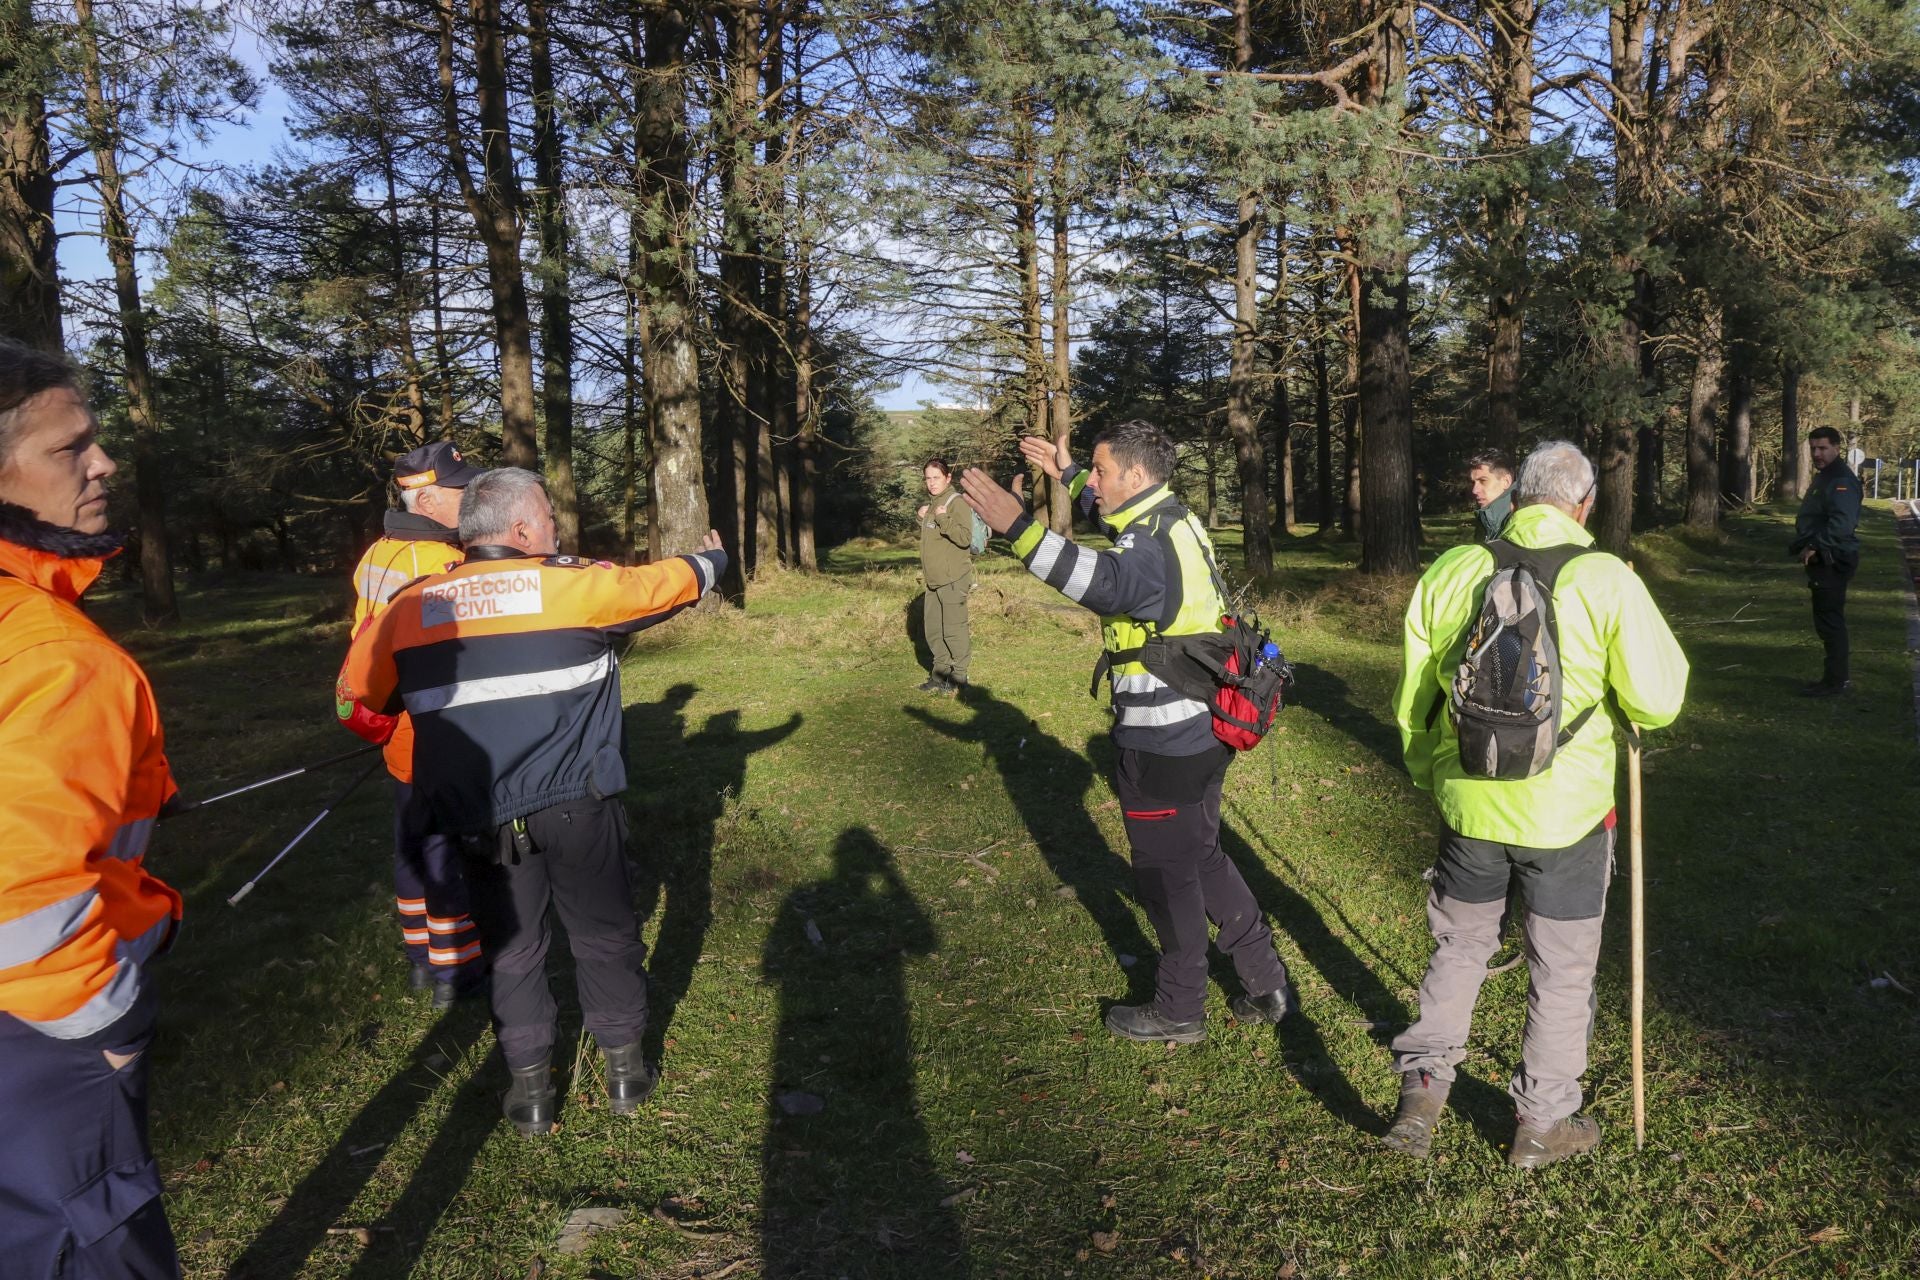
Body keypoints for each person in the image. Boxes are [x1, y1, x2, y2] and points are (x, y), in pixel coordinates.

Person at [336, 468, 727, 1135]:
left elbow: (354, 698)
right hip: (578, 802)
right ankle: (626, 1070)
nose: (556, 527)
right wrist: (712, 561)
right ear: (520, 529)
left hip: (478, 816)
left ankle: (530, 1090)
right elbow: (664, 584)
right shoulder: (576, 586)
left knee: (511, 948)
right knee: (603, 933)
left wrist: (404, 703)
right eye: (548, 516)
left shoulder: (410, 606)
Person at [1385, 440, 1688, 1169]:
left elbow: (1415, 696)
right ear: (1585, 505)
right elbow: (1658, 701)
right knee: (1561, 969)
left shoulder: (1457, 566)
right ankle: (1543, 1124)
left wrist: (1434, 777)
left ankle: (1422, 1089)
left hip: (1469, 802)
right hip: (1568, 817)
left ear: (1516, 495)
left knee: (1459, 947)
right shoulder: (1604, 577)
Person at [958, 422, 1294, 1044]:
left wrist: (1018, 528)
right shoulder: (1170, 516)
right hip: (1203, 730)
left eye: (1102, 471)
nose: (1096, 482)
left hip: (1163, 742)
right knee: (1201, 853)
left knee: (1167, 876)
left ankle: (1180, 1008)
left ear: (1136, 477)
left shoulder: (1148, 543)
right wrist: (1067, 473)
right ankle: (1263, 978)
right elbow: (1114, 520)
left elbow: (1107, 582)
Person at [0, 339, 183, 1274]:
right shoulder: (57, 657)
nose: (104, 463)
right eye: (71, 447)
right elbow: (23, 904)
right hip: (37, 1048)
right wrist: (102, 1034)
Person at [347, 441, 486, 1007]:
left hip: (398, 723)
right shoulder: (438, 565)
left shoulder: (379, 553)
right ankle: (457, 970)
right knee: (444, 846)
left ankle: (420, 959)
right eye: (460, 489)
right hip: (435, 727)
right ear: (426, 500)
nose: (471, 496)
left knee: (410, 839)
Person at [1789, 426, 1862, 696]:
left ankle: (1835, 681)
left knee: (1830, 621)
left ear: (1837, 448)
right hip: (1825, 557)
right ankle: (1834, 678)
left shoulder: (1840, 480)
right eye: (1813, 449)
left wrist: (1815, 545)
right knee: (1826, 619)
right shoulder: (1827, 476)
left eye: (1823, 448)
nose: (1817, 454)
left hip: (1832, 559)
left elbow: (1842, 524)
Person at [916, 458, 974, 693]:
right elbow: (933, 539)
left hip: (953, 579)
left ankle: (959, 677)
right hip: (933, 580)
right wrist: (921, 518)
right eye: (928, 478)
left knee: (953, 630)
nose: (931, 483)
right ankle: (940, 676)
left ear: (948, 478)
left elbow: (964, 538)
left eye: (936, 478)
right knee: (934, 631)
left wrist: (943, 518)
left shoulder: (956, 503)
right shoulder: (933, 504)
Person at [1468, 448, 1515, 543]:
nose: (1474, 490)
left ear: (1506, 481)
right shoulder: (1485, 519)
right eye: (1473, 483)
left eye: (1483, 481)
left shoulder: (1524, 522)